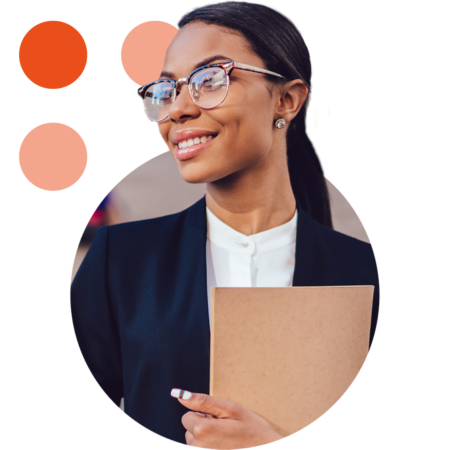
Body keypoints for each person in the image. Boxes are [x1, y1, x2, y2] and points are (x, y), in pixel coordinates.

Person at [69, 1, 380, 447]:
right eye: (168, 89)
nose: (177, 109)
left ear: (286, 100)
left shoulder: (363, 273)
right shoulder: (119, 261)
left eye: (210, 79)